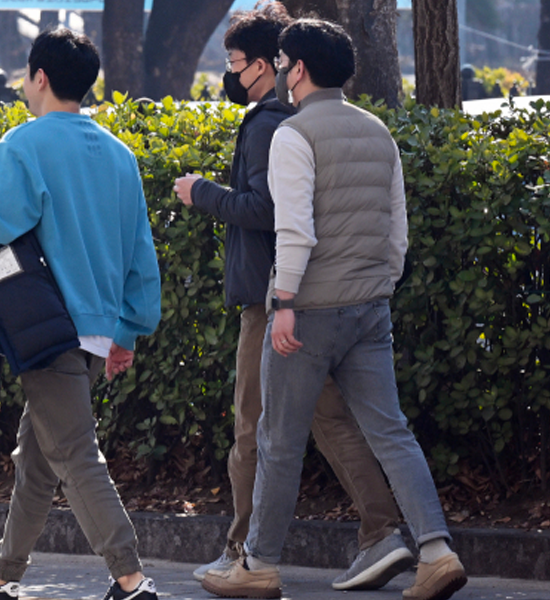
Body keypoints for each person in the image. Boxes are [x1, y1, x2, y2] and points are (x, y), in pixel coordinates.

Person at [201, 18, 468, 600]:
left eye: (282, 62)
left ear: (295, 68)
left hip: (310, 307)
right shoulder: (378, 131)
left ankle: (259, 566)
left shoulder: (295, 135)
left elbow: (294, 229)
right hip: (370, 307)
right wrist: (381, 286)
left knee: (277, 438)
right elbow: (396, 229)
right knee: (392, 434)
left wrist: (287, 302)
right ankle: (437, 551)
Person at [174, 4, 411, 591]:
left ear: (266, 65)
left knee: (253, 429)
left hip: (273, 300)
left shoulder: (267, 127)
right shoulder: (302, 121)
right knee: (330, 421)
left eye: (235, 63)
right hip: (320, 298)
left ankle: (244, 554)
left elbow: (267, 211)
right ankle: (384, 535)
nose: (229, 75)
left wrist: (201, 192)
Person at [0, 27, 162, 600]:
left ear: (39, 77)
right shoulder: (119, 155)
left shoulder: (24, 145)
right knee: (39, 460)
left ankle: (132, 578)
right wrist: (130, 330)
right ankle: (1, 574)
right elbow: (140, 251)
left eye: (26, 75)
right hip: (97, 333)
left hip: (46, 331)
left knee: (73, 454)